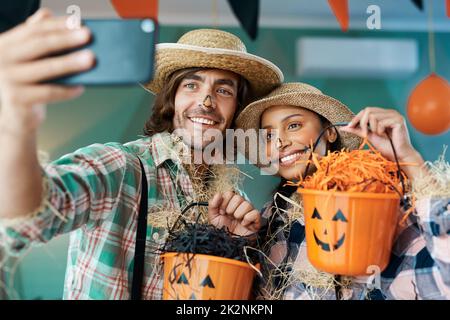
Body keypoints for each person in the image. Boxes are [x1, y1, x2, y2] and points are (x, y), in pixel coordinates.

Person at [0, 8, 283, 299]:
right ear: (172, 99)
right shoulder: (122, 168)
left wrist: (235, 248)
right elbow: (29, 217)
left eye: (224, 91)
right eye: (191, 85)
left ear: (237, 108)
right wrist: (17, 121)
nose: (206, 101)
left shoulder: (234, 203)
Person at [235, 82, 450, 299]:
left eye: (293, 125)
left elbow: (443, 281)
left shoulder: (379, 202)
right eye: (269, 136)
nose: (279, 142)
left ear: (330, 132)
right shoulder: (270, 219)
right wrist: (239, 244)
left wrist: (408, 158)